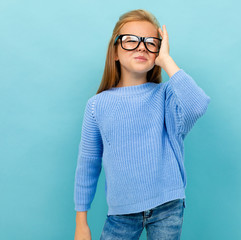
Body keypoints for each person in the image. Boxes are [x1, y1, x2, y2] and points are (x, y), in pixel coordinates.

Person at [74, 9, 211, 240]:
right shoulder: (97, 105)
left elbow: (197, 105)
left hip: (168, 206)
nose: (141, 47)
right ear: (115, 52)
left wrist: (167, 60)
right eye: (131, 41)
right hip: (121, 213)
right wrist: (81, 224)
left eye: (150, 43)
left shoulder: (167, 95)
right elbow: (87, 165)